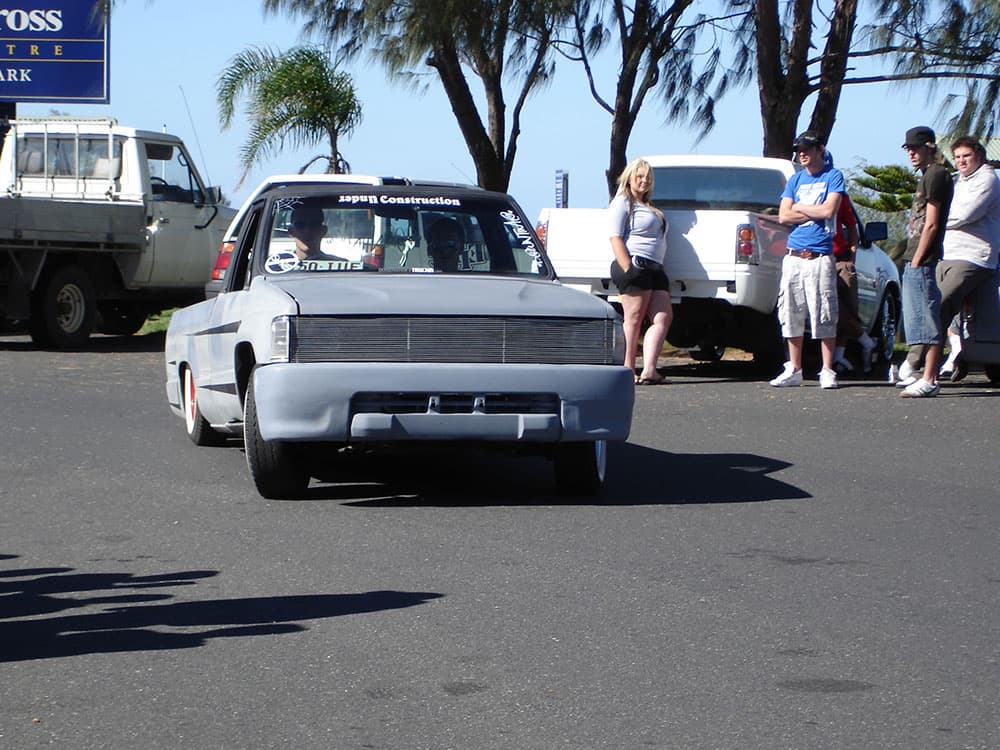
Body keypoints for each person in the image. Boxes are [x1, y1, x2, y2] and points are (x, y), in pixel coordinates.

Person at [769, 131, 844, 389]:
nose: (802, 153)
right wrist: (806, 211)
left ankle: (827, 369)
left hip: (819, 255)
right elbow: (783, 216)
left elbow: (828, 210)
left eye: (807, 148)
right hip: (794, 255)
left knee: (824, 311)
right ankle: (794, 368)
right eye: (799, 149)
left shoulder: (833, 176)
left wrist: (800, 208)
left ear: (819, 149)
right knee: (790, 310)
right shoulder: (795, 180)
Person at [928, 137, 1000, 387]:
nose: (960, 161)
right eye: (957, 157)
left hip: (975, 257)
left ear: (979, 156)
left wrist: (934, 224)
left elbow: (966, 214)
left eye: (966, 156)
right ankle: (954, 352)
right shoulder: (958, 182)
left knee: (941, 305)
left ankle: (927, 370)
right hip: (948, 254)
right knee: (934, 304)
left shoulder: (988, 180)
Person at [896, 126, 954, 398]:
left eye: (915, 148)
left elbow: (931, 224)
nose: (911, 153)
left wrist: (918, 258)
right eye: (908, 149)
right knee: (919, 321)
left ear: (929, 147)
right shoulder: (927, 175)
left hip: (924, 258)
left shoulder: (937, 174)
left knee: (928, 319)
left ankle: (929, 378)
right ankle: (923, 375)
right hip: (914, 257)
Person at [608, 157, 672, 385]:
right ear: (630, 178)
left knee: (662, 317)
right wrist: (628, 267)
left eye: (648, 178)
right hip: (636, 265)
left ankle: (650, 370)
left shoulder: (649, 207)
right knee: (633, 320)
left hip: (655, 268)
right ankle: (627, 368)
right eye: (640, 176)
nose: (644, 181)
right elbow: (615, 237)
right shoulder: (623, 202)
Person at [825, 150, 877, 374]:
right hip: (818, 258)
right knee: (832, 308)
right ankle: (866, 341)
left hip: (841, 259)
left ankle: (839, 356)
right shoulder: (803, 190)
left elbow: (851, 225)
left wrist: (853, 253)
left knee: (847, 307)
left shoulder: (840, 197)